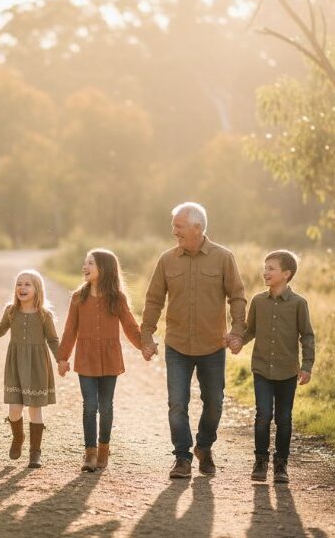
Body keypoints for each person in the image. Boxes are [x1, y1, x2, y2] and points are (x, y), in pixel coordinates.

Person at [141, 202, 247, 478]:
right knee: (177, 402)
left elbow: (237, 296)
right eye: (174, 225)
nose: (173, 231)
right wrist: (147, 334)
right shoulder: (167, 260)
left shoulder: (224, 258)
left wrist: (237, 331)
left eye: (179, 226)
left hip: (212, 344)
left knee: (215, 402)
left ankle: (204, 446)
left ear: (197, 228)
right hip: (177, 344)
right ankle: (182, 457)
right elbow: (153, 300)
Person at [57, 249, 152, 472]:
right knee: (90, 405)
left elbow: (130, 326)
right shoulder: (78, 298)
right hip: (86, 358)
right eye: (85, 262)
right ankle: (89, 454)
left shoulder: (116, 298)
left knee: (105, 406)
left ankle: (103, 450)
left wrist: (143, 346)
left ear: (105, 268)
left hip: (109, 358)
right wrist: (63, 358)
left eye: (91, 263)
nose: (85, 267)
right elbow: (70, 330)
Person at [228, 250, 315, 484]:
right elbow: (251, 330)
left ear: (286, 274)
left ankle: (281, 465)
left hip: (288, 371)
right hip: (262, 370)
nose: (265, 272)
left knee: (284, 418)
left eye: (271, 268)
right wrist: (238, 341)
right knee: (263, 415)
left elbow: (307, 336)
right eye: (264, 268)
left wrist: (306, 366)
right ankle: (260, 461)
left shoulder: (299, 304)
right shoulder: (258, 301)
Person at [0, 270, 59, 468]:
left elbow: (52, 339)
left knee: (35, 409)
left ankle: (35, 453)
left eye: (27, 285)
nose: (22, 288)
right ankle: (18, 436)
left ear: (37, 289)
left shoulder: (44, 314)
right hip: (16, 365)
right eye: (19, 284)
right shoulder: (11, 311)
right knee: (14, 411)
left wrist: (61, 359)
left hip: (37, 365)